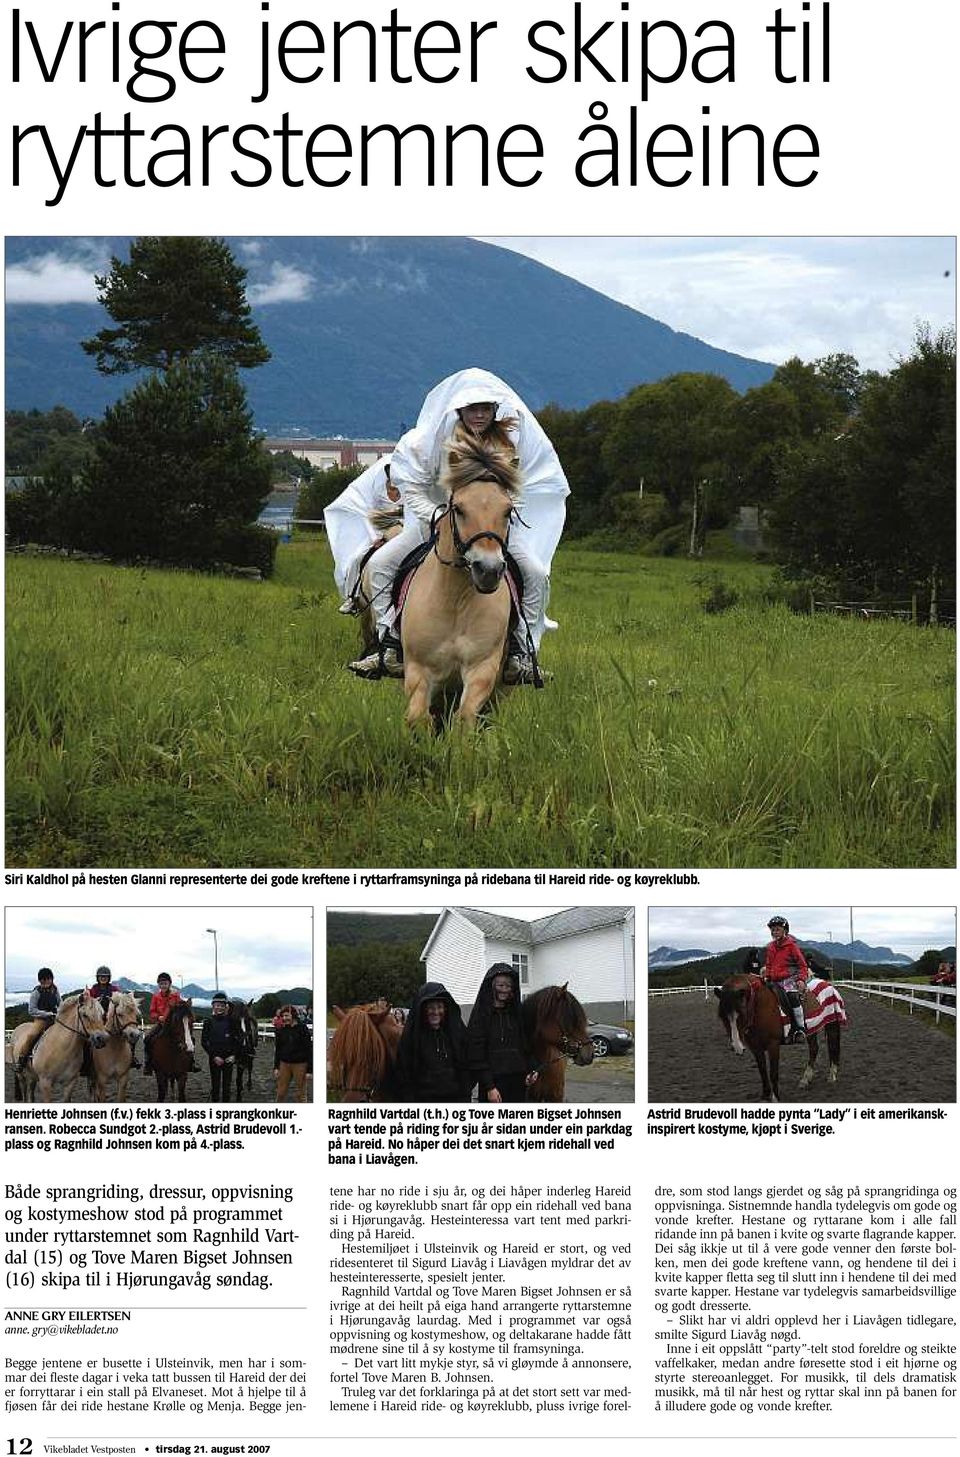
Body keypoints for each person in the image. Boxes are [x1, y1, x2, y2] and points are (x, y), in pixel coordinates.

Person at [348, 368, 569, 684]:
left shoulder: (509, 445)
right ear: (459, 410)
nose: (479, 414)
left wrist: (500, 517)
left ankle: (521, 651)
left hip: (490, 528)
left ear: (495, 410)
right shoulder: (430, 442)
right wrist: (437, 516)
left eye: (485, 408)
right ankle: (390, 643)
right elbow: (413, 486)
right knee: (381, 565)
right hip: (433, 520)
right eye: (472, 408)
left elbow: (519, 490)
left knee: (534, 573)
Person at [323, 455, 402, 614]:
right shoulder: (378, 489)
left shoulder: (407, 490)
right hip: (380, 529)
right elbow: (367, 514)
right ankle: (352, 597)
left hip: (404, 528)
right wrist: (374, 538)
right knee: (358, 559)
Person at [466, 962, 539, 1102]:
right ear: (491, 986)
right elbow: (476, 1054)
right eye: (500, 985)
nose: (504, 989)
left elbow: (525, 1046)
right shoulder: (481, 1016)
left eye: (508, 985)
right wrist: (489, 1087)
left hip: (518, 1082)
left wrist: (532, 1069)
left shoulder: (516, 1015)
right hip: (493, 1085)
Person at [396, 982, 472, 1101]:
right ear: (423, 1010)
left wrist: (465, 1094)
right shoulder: (412, 1038)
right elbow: (404, 1073)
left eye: (439, 1007)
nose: (435, 1012)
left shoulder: (455, 1033)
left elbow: (466, 1066)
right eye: (431, 1008)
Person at [763, 915, 809, 1043]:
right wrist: (767, 975)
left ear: (785, 930)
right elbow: (768, 964)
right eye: (772, 930)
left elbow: (802, 965)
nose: (774, 932)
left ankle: (800, 1028)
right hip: (773, 980)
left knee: (793, 997)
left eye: (777, 929)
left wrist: (801, 979)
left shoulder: (792, 946)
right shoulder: (771, 947)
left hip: (789, 979)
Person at [16, 967, 61, 1071]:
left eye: (48, 979)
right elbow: (31, 1010)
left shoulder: (55, 989)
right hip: (41, 1020)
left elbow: (60, 1003)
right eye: (43, 979)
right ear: (40, 980)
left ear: (51, 979)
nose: (45, 981)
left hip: (54, 1018)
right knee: (32, 1035)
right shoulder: (36, 992)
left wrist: (60, 1013)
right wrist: (47, 1014)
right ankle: (21, 1059)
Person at [201, 991, 241, 1100]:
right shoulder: (208, 1022)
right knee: (215, 1086)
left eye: (222, 1006)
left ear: (225, 1007)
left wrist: (234, 1055)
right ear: (213, 1006)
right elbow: (204, 1042)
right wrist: (214, 1056)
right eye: (217, 1005)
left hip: (229, 1059)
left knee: (227, 1087)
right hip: (215, 1059)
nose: (219, 1008)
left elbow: (238, 1040)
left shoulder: (232, 1021)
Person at [143, 973, 182, 1074]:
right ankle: (148, 1063)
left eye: (165, 983)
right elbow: (152, 1012)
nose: (163, 985)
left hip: (174, 1024)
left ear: (169, 984)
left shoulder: (175, 995)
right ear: (158, 985)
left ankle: (191, 1062)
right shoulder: (155, 996)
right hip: (161, 1024)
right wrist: (158, 1017)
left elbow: (181, 1008)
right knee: (147, 1039)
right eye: (161, 984)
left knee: (190, 1038)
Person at [273, 1005, 313, 1102]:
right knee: (280, 1093)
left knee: (301, 1094)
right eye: (283, 1016)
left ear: (293, 1015)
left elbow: (309, 1049)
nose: (284, 1018)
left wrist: (309, 1070)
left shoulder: (303, 1029)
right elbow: (278, 1049)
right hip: (284, 1064)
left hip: (300, 1064)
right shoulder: (281, 1030)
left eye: (287, 1016)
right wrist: (276, 1067)